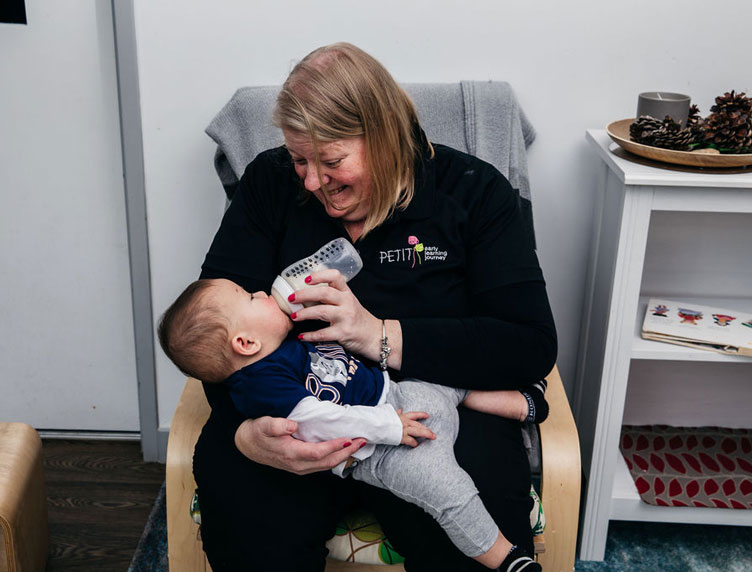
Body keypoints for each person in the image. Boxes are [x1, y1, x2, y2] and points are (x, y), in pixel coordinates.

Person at [194, 42, 557, 571]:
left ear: (388, 138)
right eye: (301, 159)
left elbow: (528, 344)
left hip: (433, 412)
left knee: (472, 534)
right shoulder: (271, 184)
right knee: (249, 522)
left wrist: (379, 336)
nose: (314, 182)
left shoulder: (474, 194)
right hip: (294, 408)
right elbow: (213, 323)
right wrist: (245, 433)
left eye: (332, 160)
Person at [159, 277, 549, 571]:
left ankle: (520, 403)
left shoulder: (279, 345)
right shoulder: (261, 384)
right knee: (447, 489)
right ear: (245, 344)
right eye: (250, 298)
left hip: (395, 397)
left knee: (450, 381)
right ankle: (504, 557)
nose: (262, 292)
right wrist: (389, 427)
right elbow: (322, 420)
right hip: (381, 450)